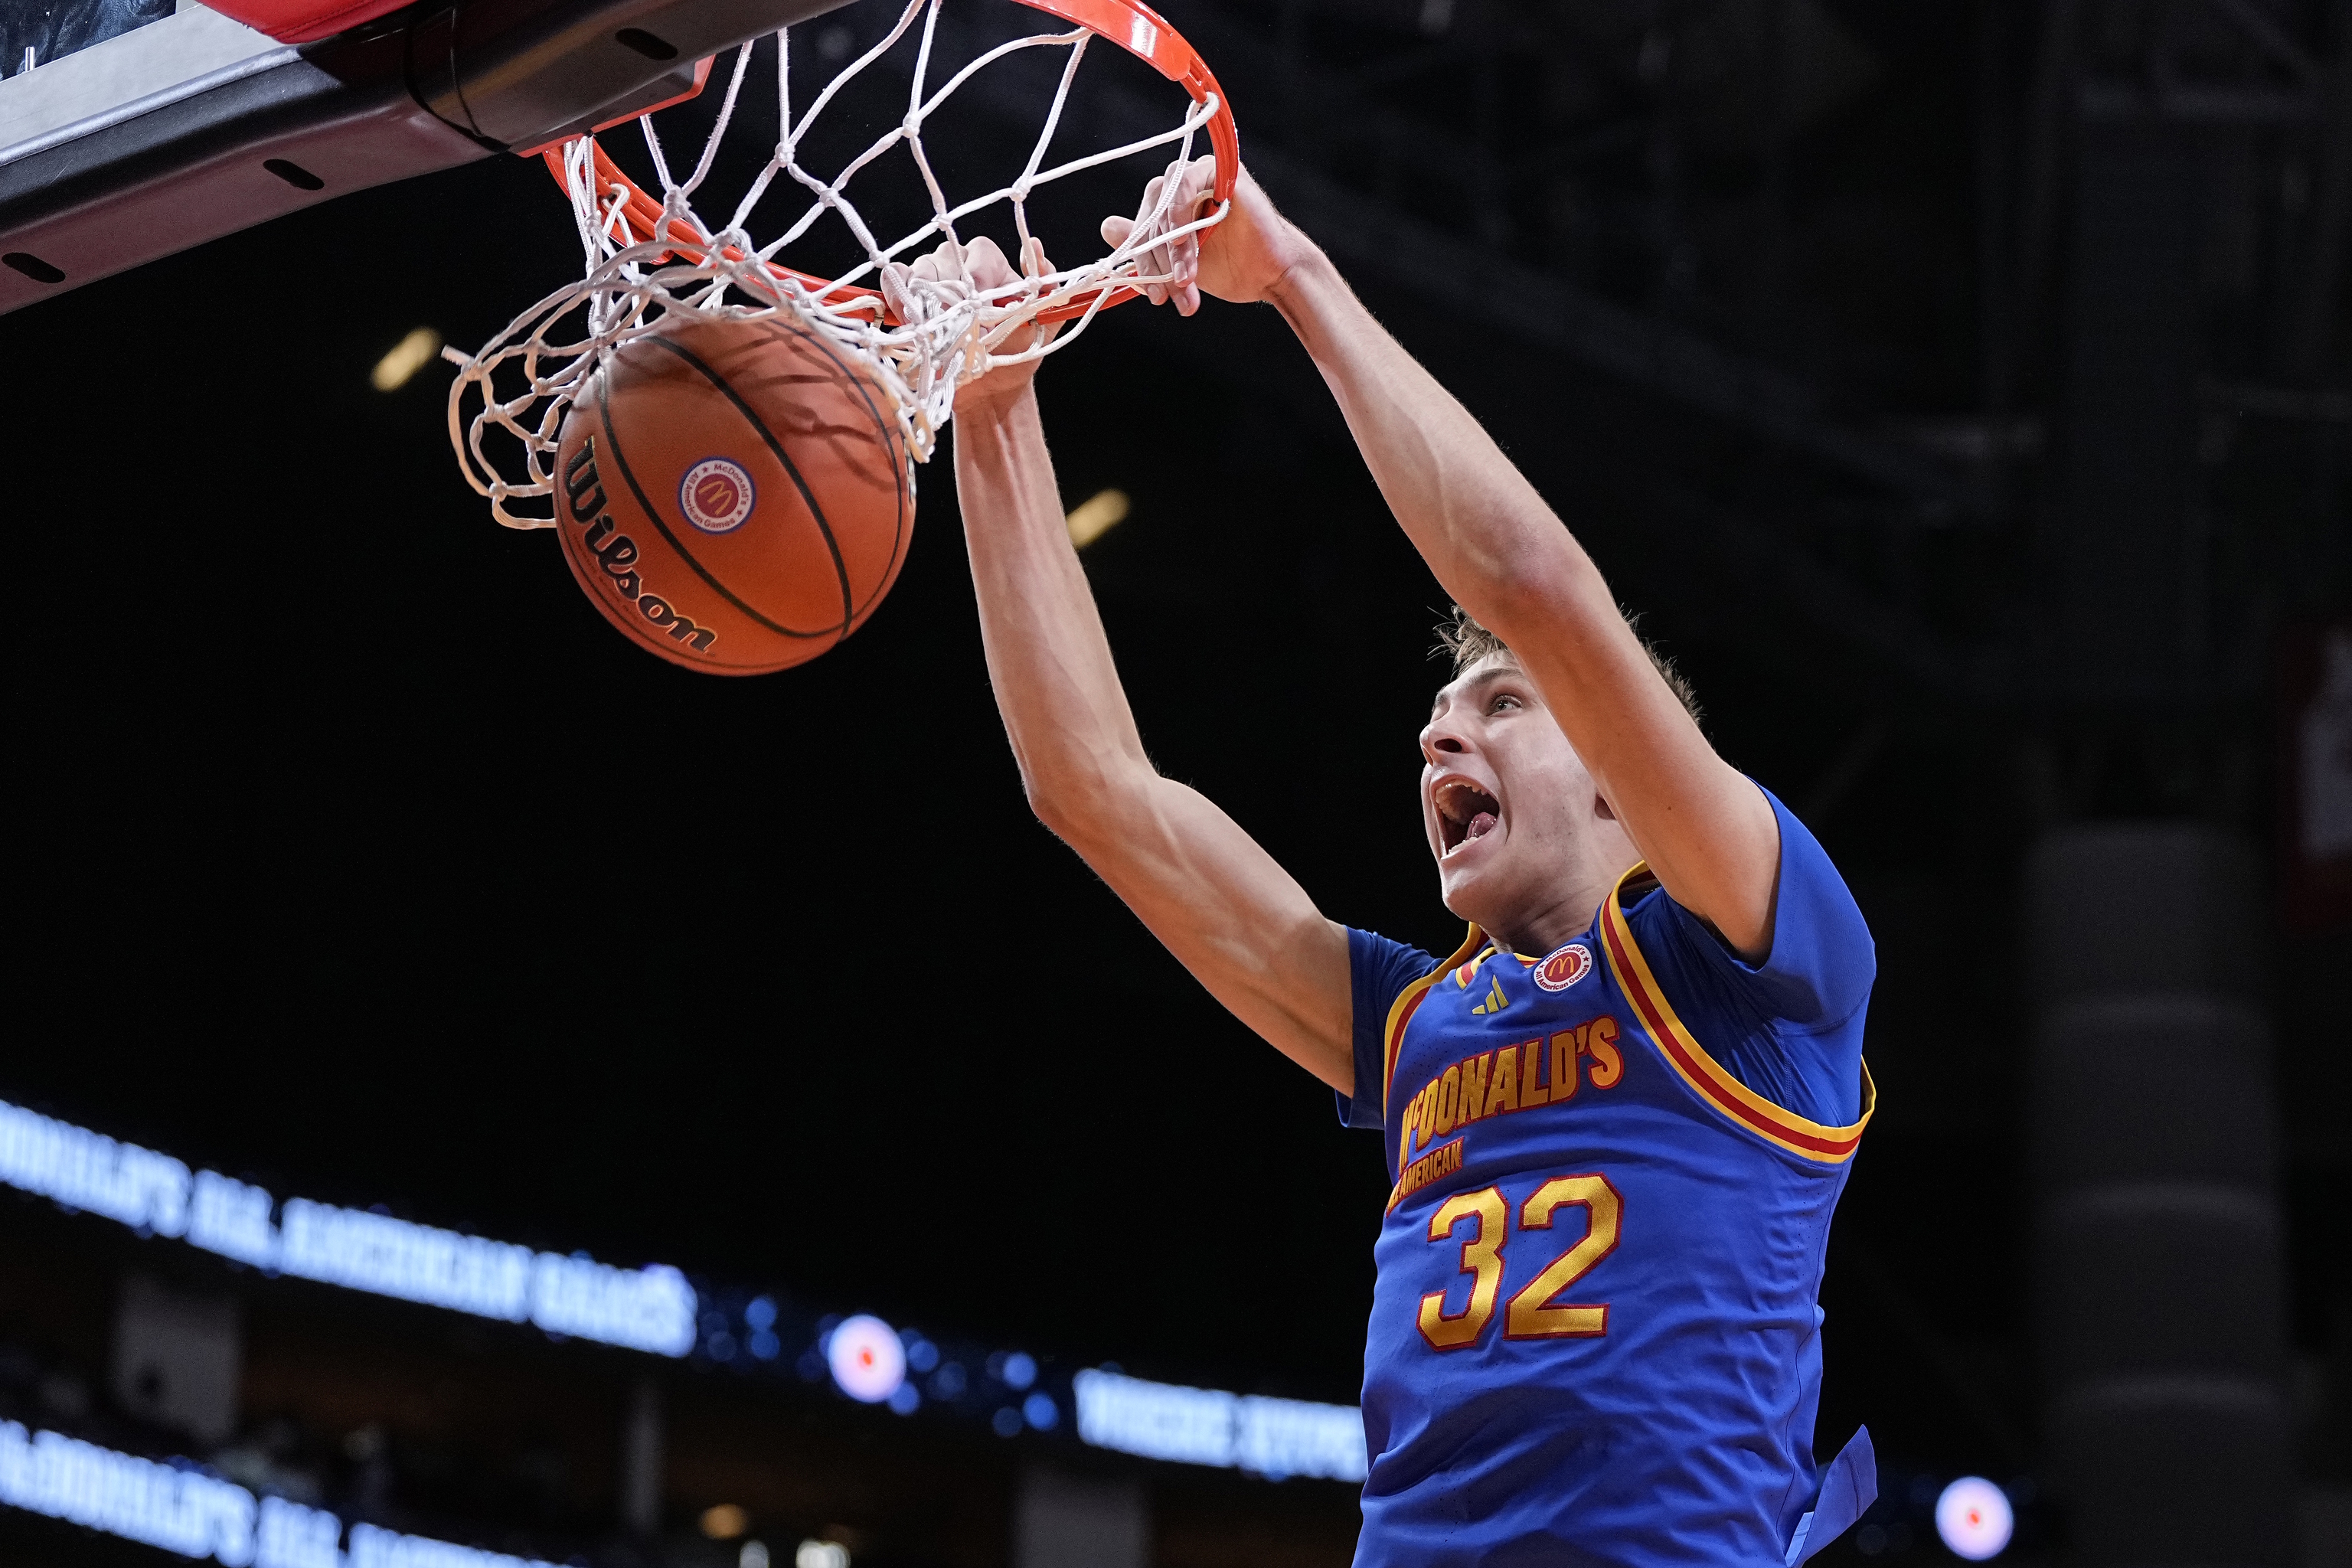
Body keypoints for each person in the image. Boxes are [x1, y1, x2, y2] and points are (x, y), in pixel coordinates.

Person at [907, 158, 1878, 1566]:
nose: (1439, 734)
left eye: (1497, 705)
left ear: (1621, 773)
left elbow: (1535, 593)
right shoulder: (1417, 1025)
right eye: (1435, 718)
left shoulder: (1764, 966)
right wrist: (994, 409)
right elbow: (1094, 792)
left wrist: (1295, 277)